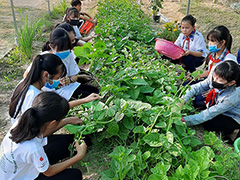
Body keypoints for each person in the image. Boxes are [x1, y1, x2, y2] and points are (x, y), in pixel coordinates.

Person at [1, 91, 87, 180]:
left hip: (18, 168)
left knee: (66, 143)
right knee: (75, 175)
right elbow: (49, 172)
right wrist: (79, 156)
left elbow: (45, 133)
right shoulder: (33, 148)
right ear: (52, 123)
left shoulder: (23, 122)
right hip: (21, 177)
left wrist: (67, 121)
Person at [13, 53, 100, 125]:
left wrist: (84, 100)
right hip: (28, 135)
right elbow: (54, 112)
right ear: (45, 75)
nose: (56, 81)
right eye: (56, 78)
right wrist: (67, 120)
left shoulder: (25, 83)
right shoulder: (35, 96)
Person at [181, 61, 240, 142]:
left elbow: (209, 113)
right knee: (197, 103)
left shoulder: (232, 96)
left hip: (233, 115)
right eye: (214, 77)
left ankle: (231, 131)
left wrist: (185, 120)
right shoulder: (216, 73)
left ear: (231, 83)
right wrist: (181, 101)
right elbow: (196, 87)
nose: (214, 80)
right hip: (219, 103)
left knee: (209, 124)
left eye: (219, 80)